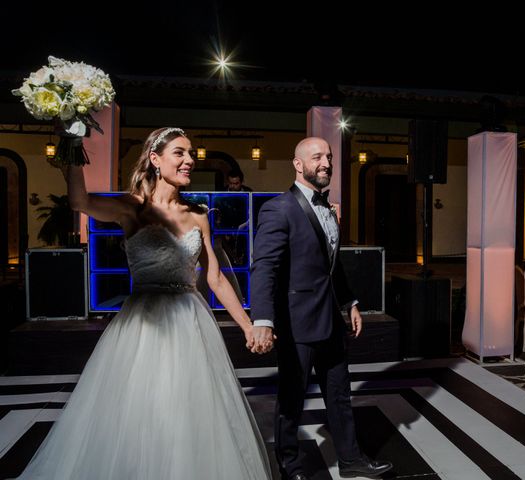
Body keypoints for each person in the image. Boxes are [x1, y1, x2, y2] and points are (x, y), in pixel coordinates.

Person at [18, 127, 272, 479]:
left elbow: (214, 278)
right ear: (155, 159)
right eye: (180, 153)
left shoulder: (198, 213)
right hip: (143, 324)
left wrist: (249, 325)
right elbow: (80, 203)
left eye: (190, 153)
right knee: (143, 411)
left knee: (189, 413)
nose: (189, 160)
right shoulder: (130, 208)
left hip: (189, 320)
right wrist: (74, 145)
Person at [250, 137, 393, 480]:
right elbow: (264, 267)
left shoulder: (328, 209)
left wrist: (350, 302)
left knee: (340, 395)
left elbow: (331, 265)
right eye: (317, 157)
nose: (326, 162)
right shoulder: (278, 208)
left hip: (330, 319)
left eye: (328, 156)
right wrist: (263, 319)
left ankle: (351, 460)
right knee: (292, 400)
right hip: (296, 322)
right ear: (298, 165)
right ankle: (289, 464)